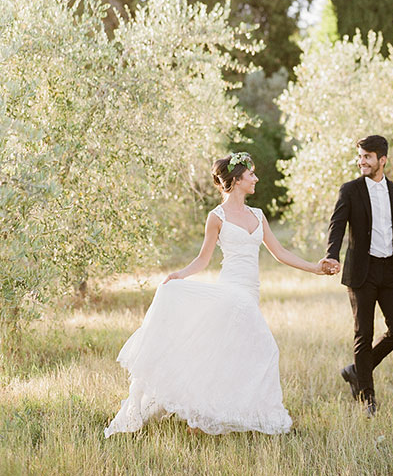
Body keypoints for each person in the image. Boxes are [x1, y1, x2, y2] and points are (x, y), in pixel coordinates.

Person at [104, 151, 337, 438]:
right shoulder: (216, 217)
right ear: (237, 180)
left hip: (250, 293)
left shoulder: (258, 215)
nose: (256, 178)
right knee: (266, 349)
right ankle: (217, 416)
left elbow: (280, 253)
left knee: (226, 355)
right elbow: (203, 259)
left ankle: (202, 418)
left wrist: (315, 268)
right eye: (251, 174)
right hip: (231, 291)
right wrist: (179, 276)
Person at [323, 135, 393, 416]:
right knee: (363, 334)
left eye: (367, 156)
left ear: (382, 160)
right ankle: (368, 398)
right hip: (361, 273)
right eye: (360, 156)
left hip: (391, 271)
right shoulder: (350, 190)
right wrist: (332, 254)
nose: (361, 161)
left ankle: (357, 369)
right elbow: (337, 225)